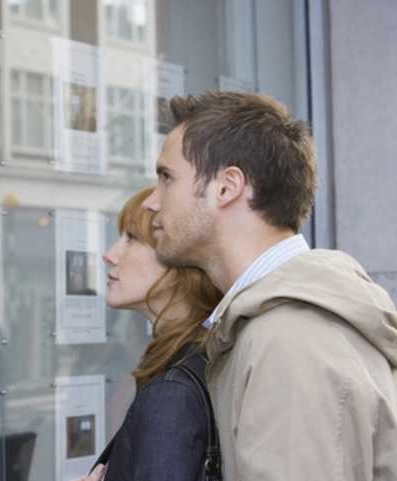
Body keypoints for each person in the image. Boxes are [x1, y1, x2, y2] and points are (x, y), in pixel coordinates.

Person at [141, 91, 397, 480]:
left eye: (166, 178)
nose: (151, 202)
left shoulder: (289, 341)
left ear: (226, 187)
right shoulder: (276, 326)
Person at [76, 187, 223, 481]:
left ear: (178, 261)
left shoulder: (172, 391)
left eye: (131, 239)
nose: (109, 255)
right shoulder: (200, 360)